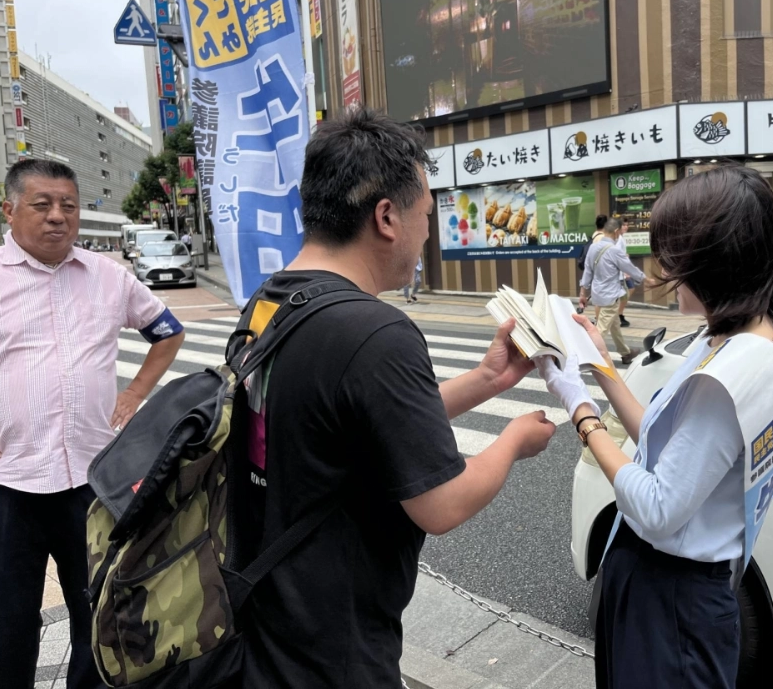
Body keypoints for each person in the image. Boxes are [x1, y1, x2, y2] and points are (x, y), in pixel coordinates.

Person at [237, 107, 555, 688]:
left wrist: (488, 379)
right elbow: (441, 505)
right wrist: (512, 441)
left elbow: (356, 419)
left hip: (267, 615)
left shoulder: (269, 302)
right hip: (337, 645)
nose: (427, 231)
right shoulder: (375, 333)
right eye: (426, 214)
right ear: (387, 217)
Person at [538, 166, 773, 689]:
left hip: (671, 598)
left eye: (673, 258)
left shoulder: (734, 375)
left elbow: (659, 507)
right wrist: (599, 366)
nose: (662, 272)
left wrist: (581, 411)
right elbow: (661, 442)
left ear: (715, 264)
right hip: (671, 587)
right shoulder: (735, 343)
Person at [0, 159, 186, 689]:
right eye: (42, 204)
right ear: (9, 209)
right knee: (7, 619)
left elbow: (168, 332)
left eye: (69, 206)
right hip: (9, 484)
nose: (58, 217)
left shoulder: (109, 278)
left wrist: (136, 392)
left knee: (97, 613)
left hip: (92, 484)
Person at [579, 218, 653, 365]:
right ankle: (582, 355)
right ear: (616, 232)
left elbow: (587, 271)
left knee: (615, 325)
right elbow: (629, 268)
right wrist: (647, 279)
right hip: (610, 296)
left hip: (598, 294)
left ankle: (625, 353)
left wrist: (582, 293)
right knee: (600, 330)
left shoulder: (593, 247)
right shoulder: (614, 251)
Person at [615, 219, 633, 328]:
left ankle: (619, 315)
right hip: (619, 273)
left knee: (628, 291)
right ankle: (618, 315)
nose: (626, 227)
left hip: (621, 272)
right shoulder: (617, 239)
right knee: (624, 294)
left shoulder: (621, 238)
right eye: (623, 225)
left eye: (627, 225)